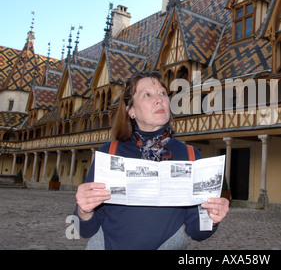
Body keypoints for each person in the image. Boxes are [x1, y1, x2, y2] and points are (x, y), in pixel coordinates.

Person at [75, 71, 229, 250]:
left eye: (163, 93)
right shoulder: (109, 153)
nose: (159, 99)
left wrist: (211, 218)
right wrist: (84, 211)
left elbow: (197, 231)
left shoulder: (190, 156)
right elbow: (85, 229)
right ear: (131, 110)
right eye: (147, 94)